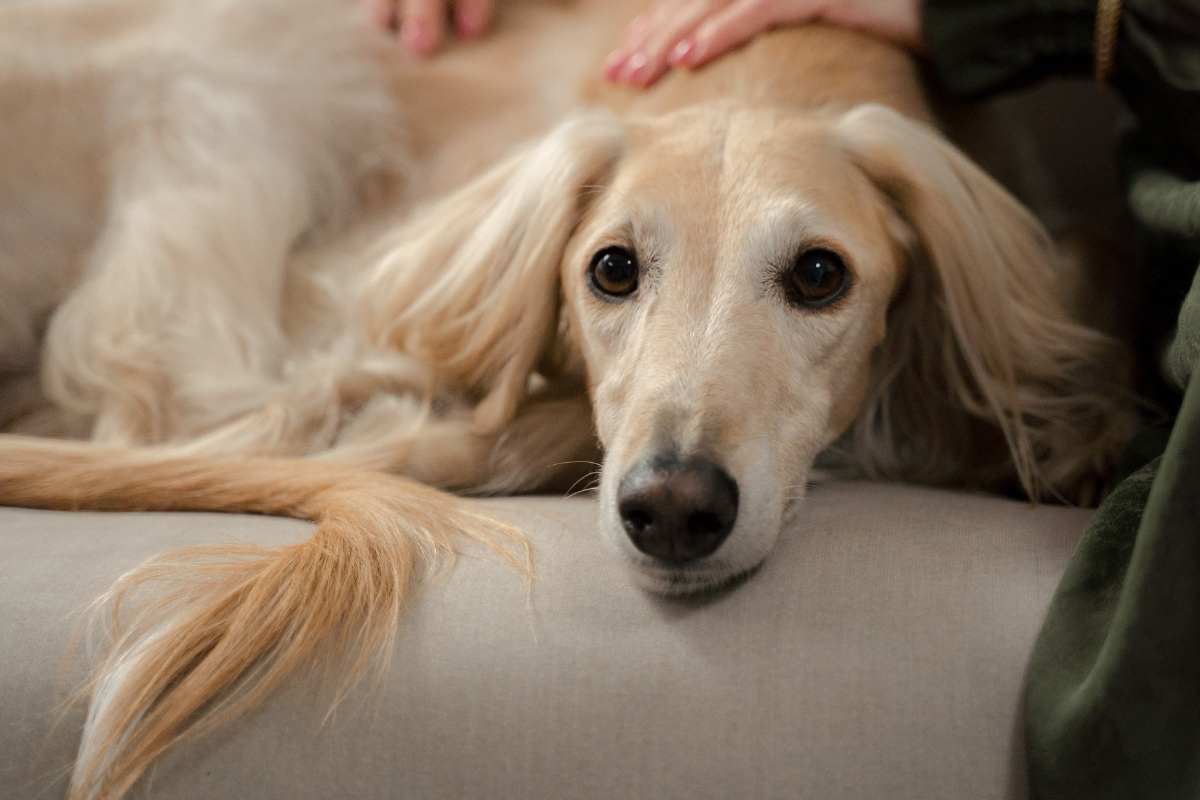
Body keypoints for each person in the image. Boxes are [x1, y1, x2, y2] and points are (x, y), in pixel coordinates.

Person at [372, 2, 1200, 798]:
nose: (673, 493)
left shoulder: (927, 223)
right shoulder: (571, 170)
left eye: (814, 276)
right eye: (618, 271)